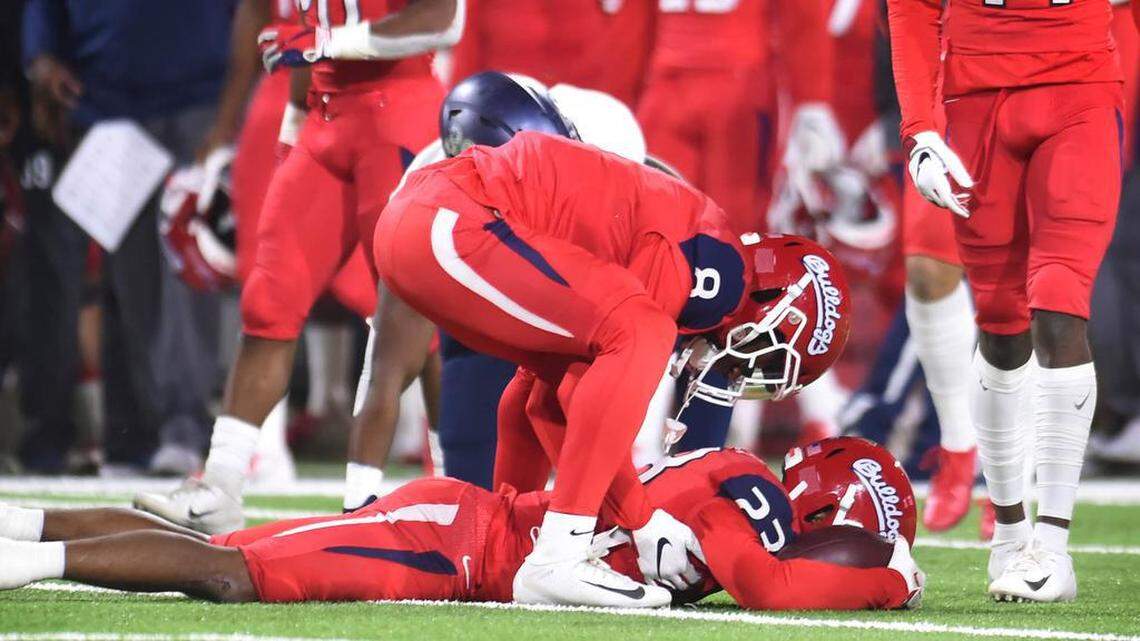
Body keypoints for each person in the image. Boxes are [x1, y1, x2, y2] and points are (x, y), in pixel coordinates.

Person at [359, 123, 853, 606]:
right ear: (773, 304)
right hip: (453, 218)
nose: (744, 372)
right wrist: (639, 518)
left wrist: (513, 520)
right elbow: (588, 389)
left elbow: (543, 400)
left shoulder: (694, 238)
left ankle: (519, 540)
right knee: (642, 331)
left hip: (420, 223)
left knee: (552, 375)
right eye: (766, 356)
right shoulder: (718, 273)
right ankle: (559, 554)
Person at [134, 0, 463, 534]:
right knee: (269, 299)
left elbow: (444, 20)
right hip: (322, 118)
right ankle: (221, 484)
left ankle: (458, 487)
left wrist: (327, 44)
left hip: (400, 117)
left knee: (418, 314)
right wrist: (290, 135)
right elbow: (296, 46)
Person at [0, 439, 924, 611]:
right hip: (455, 545)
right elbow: (770, 583)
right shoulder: (748, 491)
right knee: (230, 576)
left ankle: (18, 522)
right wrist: (886, 576)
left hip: (469, 527)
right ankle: (26, 562)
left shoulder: (742, 475)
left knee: (220, 553)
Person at [888, 0, 1122, 602]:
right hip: (974, 100)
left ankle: (1054, 544)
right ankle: (1011, 530)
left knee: (1060, 301)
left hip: (1079, 90)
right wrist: (919, 130)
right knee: (999, 321)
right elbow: (911, 9)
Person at [349, 72, 653, 497]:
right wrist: (358, 498)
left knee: (623, 332)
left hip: (578, 253)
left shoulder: (604, 135)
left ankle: (630, 482)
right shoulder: (425, 201)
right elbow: (387, 362)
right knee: (476, 491)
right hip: (480, 253)